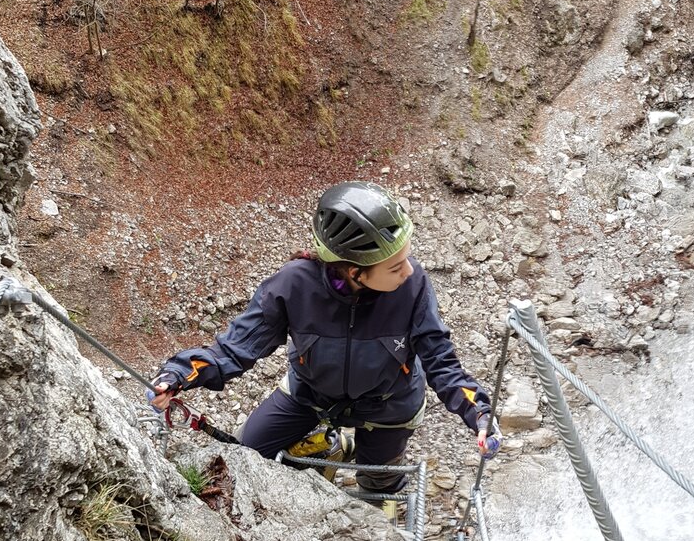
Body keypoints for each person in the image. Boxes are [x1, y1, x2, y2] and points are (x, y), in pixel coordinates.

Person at [148, 181, 498, 494]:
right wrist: (178, 375)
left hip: (389, 406)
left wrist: (479, 413)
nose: (409, 271)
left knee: (380, 483)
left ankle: (369, 483)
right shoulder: (293, 285)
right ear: (355, 271)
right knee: (247, 452)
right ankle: (330, 446)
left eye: (406, 259)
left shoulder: (412, 285)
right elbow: (235, 348)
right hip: (310, 395)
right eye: (395, 266)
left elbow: (440, 362)